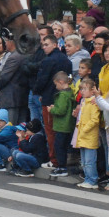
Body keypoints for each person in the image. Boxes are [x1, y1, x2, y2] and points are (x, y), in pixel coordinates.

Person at [32, 33, 71, 168]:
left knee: (50, 130)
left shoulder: (48, 60)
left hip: (49, 98)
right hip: (64, 97)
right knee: (60, 131)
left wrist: (36, 90)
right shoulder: (66, 60)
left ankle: (54, 160)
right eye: (43, 45)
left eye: (47, 44)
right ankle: (59, 159)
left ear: (55, 44)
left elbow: (42, 80)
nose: (44, 47)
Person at [74, 77, 102, 189]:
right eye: (81, 89)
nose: (82, 91)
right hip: (82, 135)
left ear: (92, 91)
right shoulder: (84, 102)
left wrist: (84, 129)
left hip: (89, 136)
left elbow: (95, 120)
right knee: (84, 161)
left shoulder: (93, 103)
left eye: (85, 89)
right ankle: (87, 178)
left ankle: (93, 180)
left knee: (90, 161)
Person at [47, 71, 76, 176]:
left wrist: (52, 110)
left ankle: (61, 167)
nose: (56, 87)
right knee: (63, 146)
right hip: (68, 125)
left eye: (56, 84)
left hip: (62, 125)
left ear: (61, 82)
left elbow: (61, 110)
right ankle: (62, 166)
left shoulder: (63, 95)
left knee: (59, 147)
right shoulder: (70, 93)